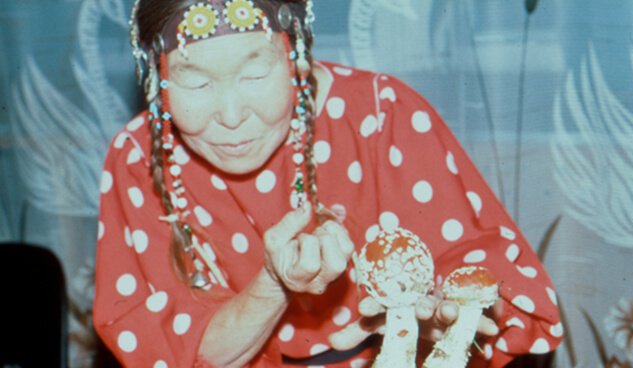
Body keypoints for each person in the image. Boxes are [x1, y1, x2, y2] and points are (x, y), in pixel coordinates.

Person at [93, 0, 563, 367]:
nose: (232, 117)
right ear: (157, 83)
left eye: (255, 74)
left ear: (297, 56)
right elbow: (180, 354)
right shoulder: (138, 160)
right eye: (195, 85)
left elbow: (502, 289)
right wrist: (274, 284)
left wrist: (445, 317)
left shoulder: (383, 117)